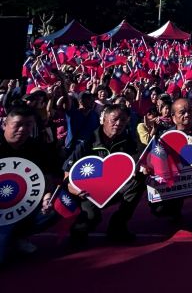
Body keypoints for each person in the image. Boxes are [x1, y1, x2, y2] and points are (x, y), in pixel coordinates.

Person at [63, 104, 144, 246]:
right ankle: (78, 231)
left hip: (114, 187)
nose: (118, 124)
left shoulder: (128, 140)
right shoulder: (87, 141)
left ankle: (118, 225)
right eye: (114, 119)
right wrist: (75, 189)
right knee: (91, 218)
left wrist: (142, 168)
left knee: (139, 180)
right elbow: (67, 173)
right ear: (103, 120)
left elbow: (137, 160)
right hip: (87, 191)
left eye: (123, 120)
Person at [0, 104, 62, 263]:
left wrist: (47, 197)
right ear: (4, 124)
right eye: (18, 124)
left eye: (28, 125)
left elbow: (48, 176)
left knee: (57, 207)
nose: (23, 129)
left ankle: (19, 237)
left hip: (20, 204)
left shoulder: (37, 147)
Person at [151, 98, 192, 231]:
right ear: (173, 116)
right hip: (175, 179)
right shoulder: (164, 135)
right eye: (182, 112)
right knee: (159, 209)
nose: (187, 115)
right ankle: (174, 210)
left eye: (190, 111)